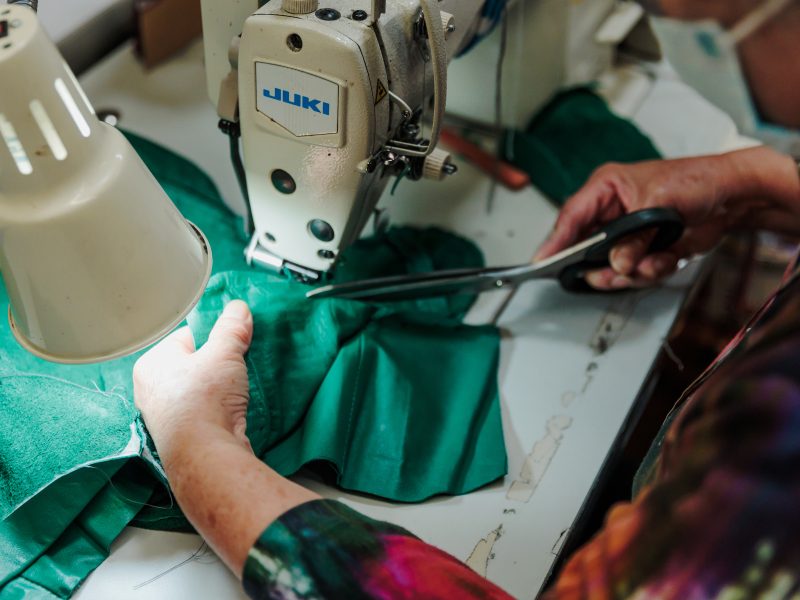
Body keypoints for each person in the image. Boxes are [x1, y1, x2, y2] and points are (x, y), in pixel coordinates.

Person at [134, 0, 800, 597]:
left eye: (675, 9)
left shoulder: (777, 438)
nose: (669, 14)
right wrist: (763, 185)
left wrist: (203, 462)